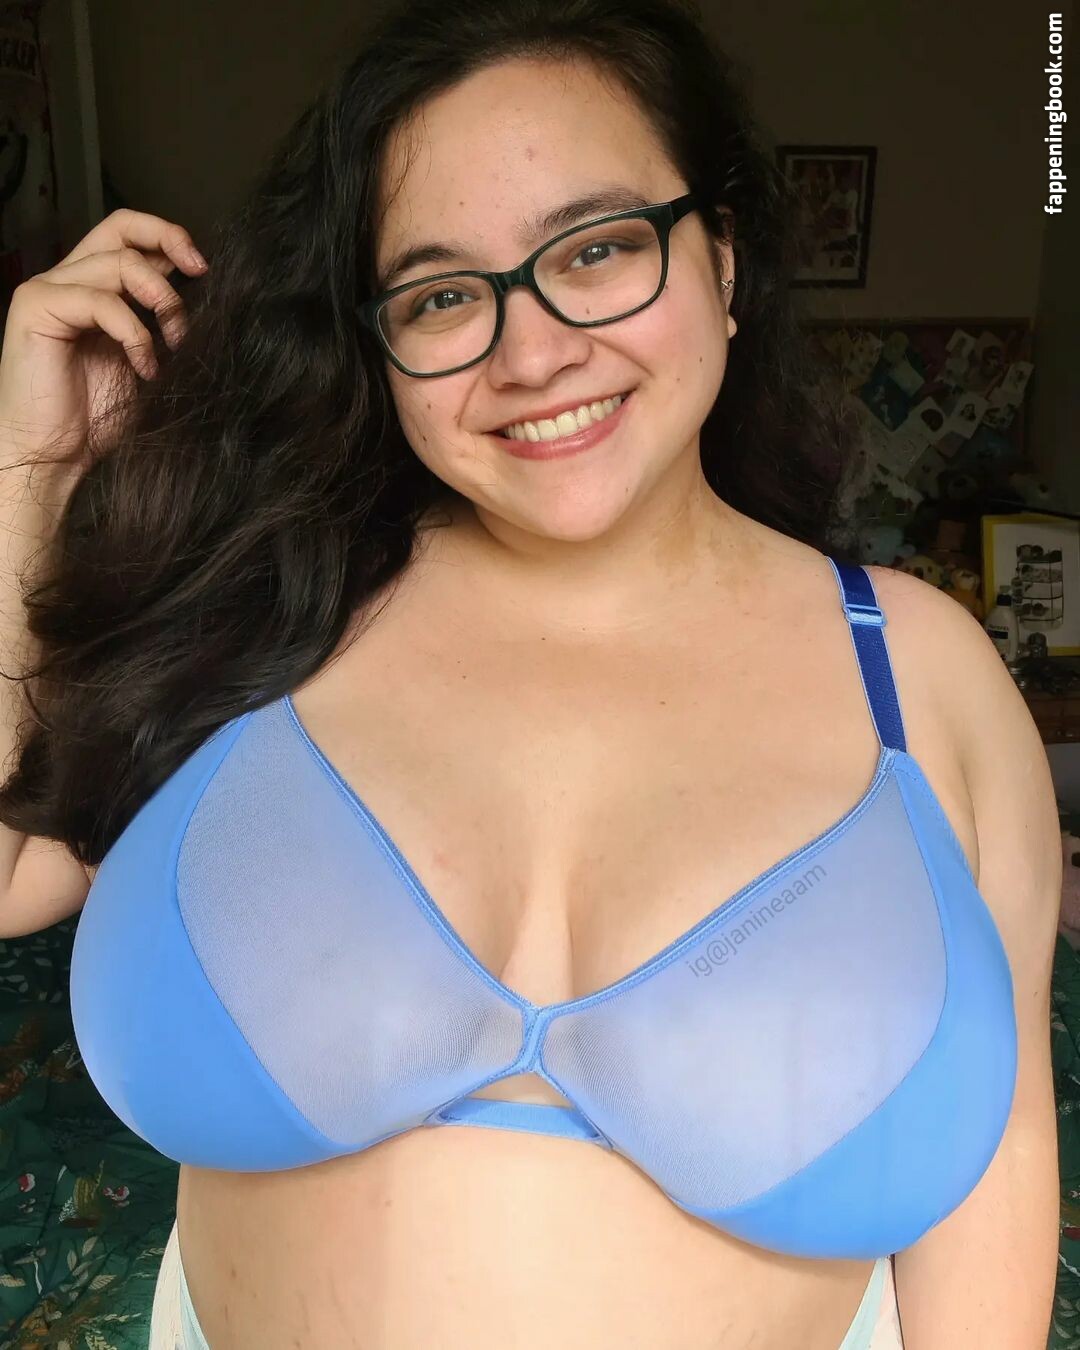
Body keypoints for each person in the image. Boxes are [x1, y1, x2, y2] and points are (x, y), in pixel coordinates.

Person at [0, 0, 1060, 1346]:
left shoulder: (916, 673)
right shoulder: (260, 603)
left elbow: (997, 1159)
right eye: (444, 294)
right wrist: (27, 470)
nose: (534, 351)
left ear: (724, 260)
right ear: (376, 341)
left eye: (599, 247)